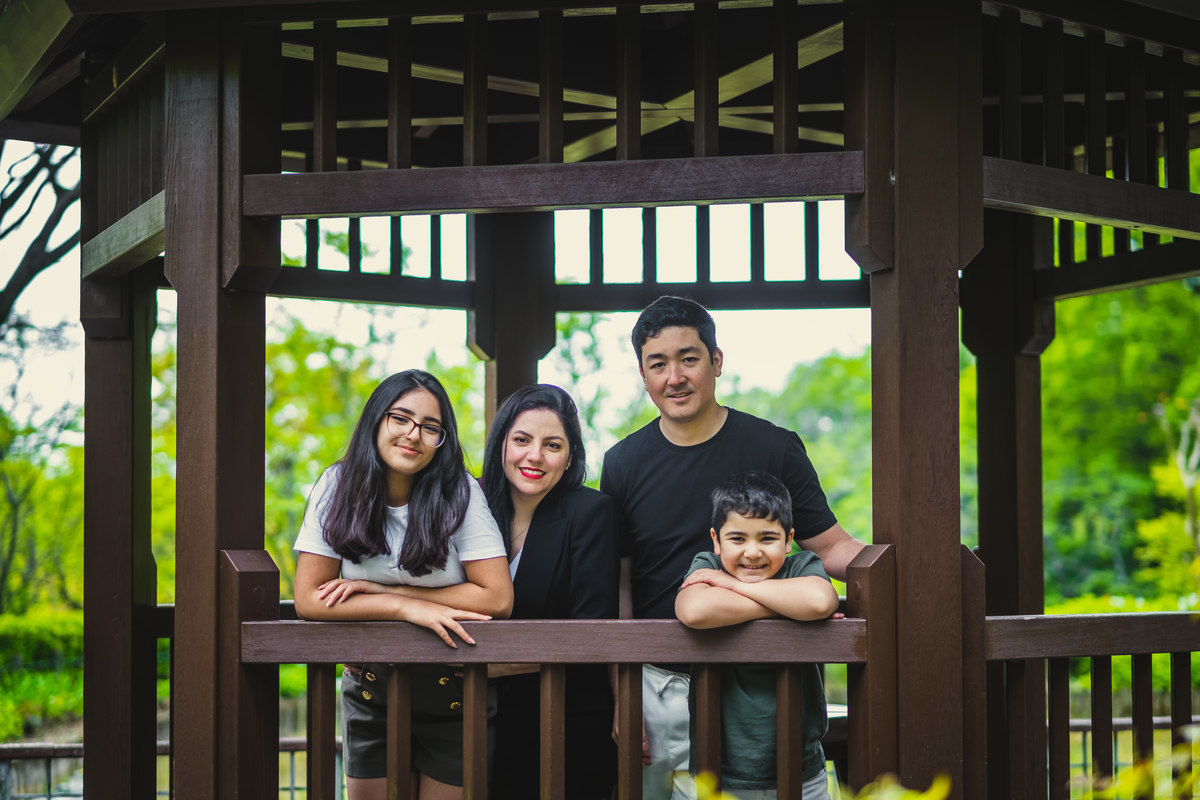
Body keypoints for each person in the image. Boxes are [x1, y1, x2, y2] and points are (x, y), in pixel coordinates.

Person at [599, 295, 865, 799]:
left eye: (689, 359)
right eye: (658, 364)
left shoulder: (775, 447)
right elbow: (621, 585)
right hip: (661, 684)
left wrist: (908, 575)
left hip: (763, 683)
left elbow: (832, 546)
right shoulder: (622, 463)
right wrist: (622, 693)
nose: (675, 377)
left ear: (716, 361)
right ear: (643, 374)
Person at [293, 369, 514, 800]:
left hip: (454, 691)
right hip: (370, 688)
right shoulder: (336, 485)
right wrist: (403, 609)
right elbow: (308, 598)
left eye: (431, 427)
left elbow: (498, 597)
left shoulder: (460, 492)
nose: (413, 435)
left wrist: (390, 593)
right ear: (376, 419)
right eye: (401, 418)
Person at [479, 384, 619, 799]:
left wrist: (488, 666)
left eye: (552, 445)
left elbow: (590, 631)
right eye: (522, 440)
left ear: (570, 456)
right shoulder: (470, 505)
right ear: (501, 443)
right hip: (469, 715)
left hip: (563, 716)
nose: (534, 456)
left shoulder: (591, 513)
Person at [675, 471, 839, 800]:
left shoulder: (801, 566)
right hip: (717, 771)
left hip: (802, 771)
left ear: (788, 540)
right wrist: (787, 609)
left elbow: (819, 601)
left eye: (767, 539)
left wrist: (731, 586)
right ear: (716, 540)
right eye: (738, 539)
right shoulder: (707, 564)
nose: (752, 552)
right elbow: (694, 610)